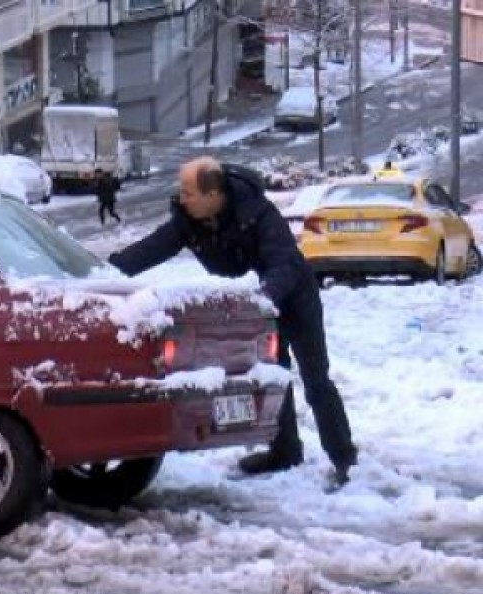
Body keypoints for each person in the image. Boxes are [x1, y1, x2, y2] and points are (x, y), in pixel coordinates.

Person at [106, 156, 358, 491]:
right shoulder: (188, 219)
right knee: (274, 377)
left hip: (294, 297)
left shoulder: (257, 212)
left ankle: (344, 459)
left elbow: (283, 263)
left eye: (189, 192)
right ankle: (285, 451)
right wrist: (103, 273)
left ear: (214, 195)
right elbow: (150, 250)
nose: (182, 198)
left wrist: (263, 300)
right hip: (257, 301)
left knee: (316, 379)